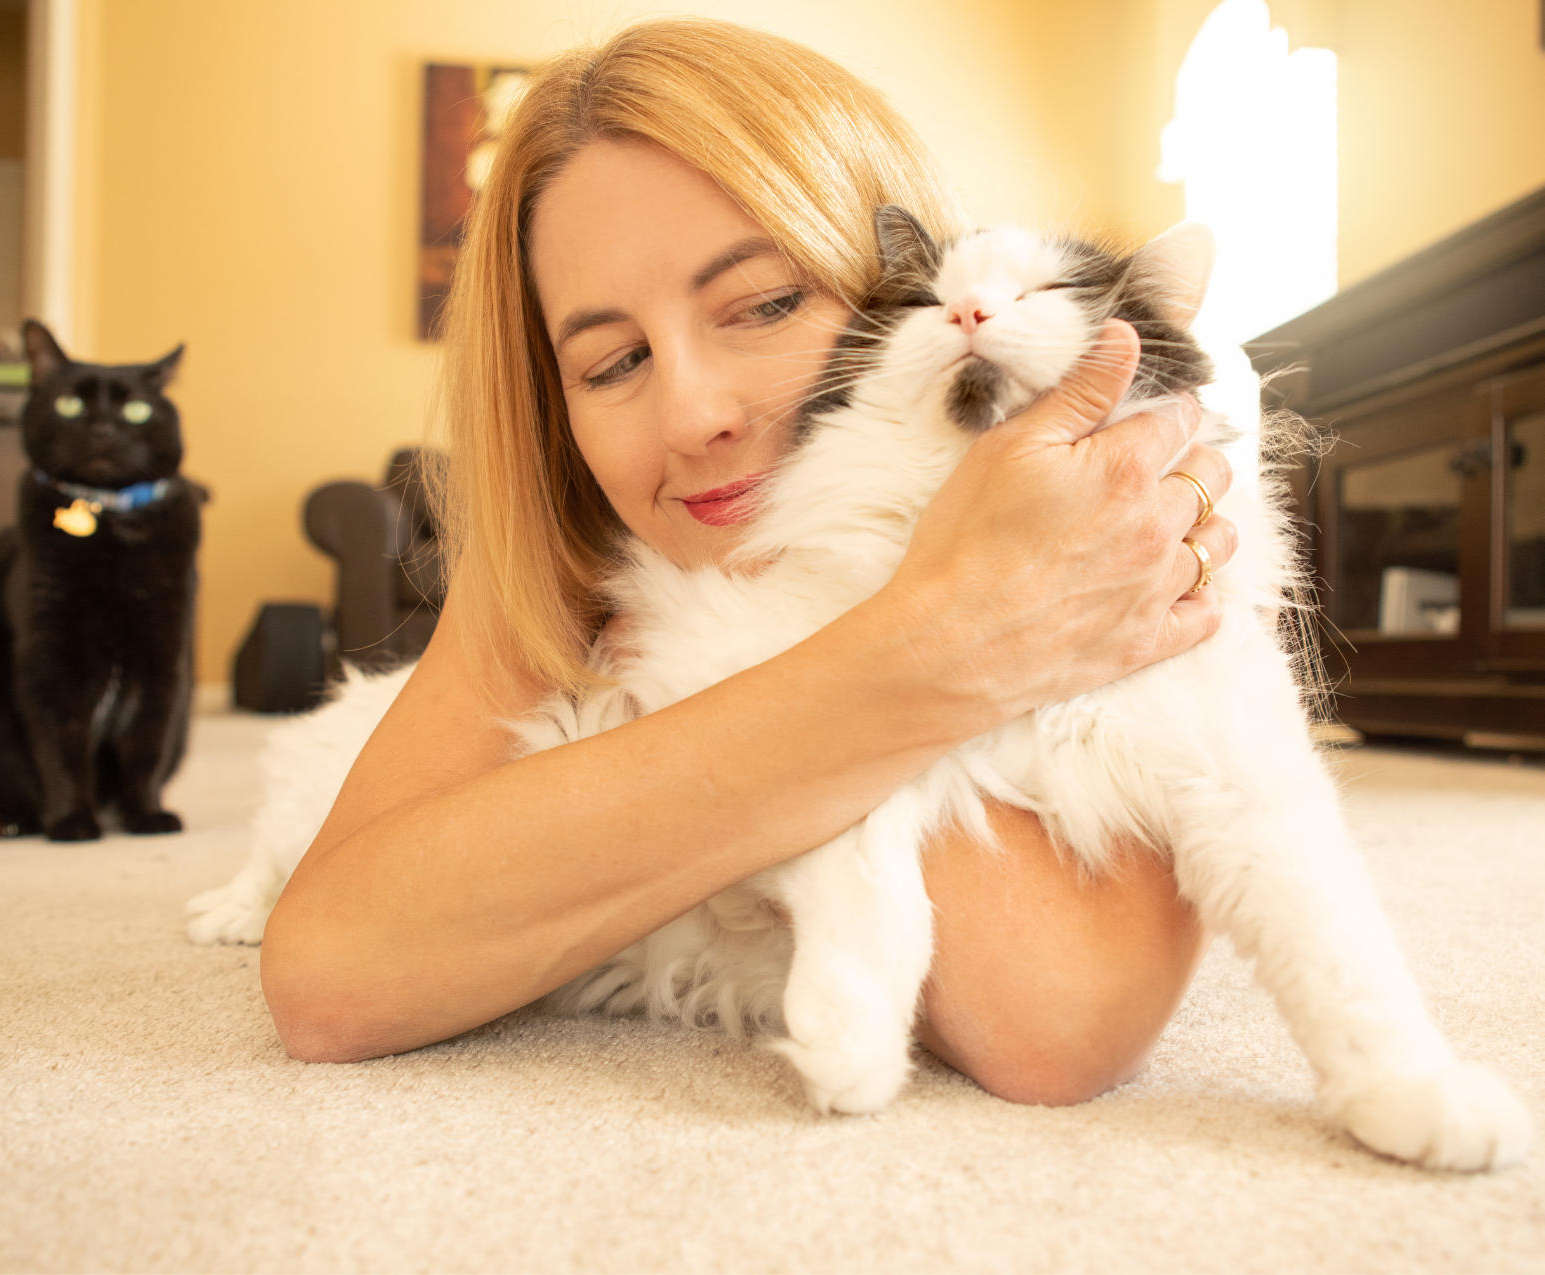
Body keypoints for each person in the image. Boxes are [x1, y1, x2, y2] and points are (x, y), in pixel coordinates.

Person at [261, 18, 1239, 1106]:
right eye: (611, 362)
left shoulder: (1101, 529)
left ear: (909, 285)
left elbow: (1061, 1021)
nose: (692, 414)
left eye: (766, 305)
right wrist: (930, 648)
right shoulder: (572, 547)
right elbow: (328, 975)